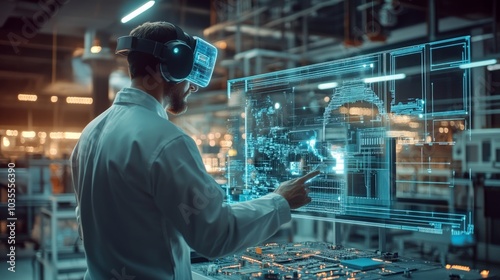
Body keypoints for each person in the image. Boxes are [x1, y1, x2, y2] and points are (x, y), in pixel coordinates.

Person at [70, 21, 319, 280]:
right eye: (189, 73)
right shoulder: (167, 142)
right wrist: (280, 201)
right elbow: (215, 235)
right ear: (171, 68)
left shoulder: (90, 133)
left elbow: (89, 223)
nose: (193, 86)